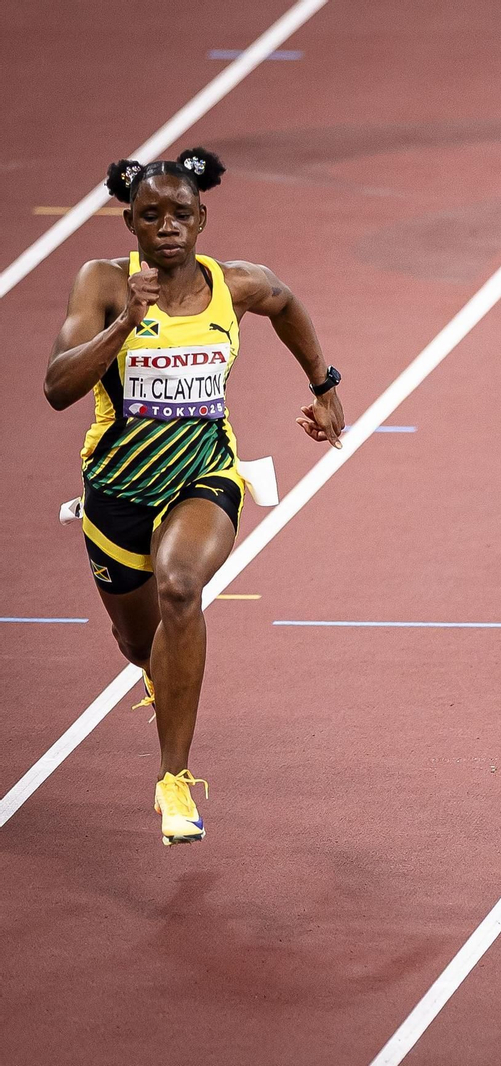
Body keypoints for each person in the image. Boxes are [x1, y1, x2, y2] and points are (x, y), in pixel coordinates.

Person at [44, 147, 345, 845]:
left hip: (203, 476)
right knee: (139, 644)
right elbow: (58, 387)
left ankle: (174, 781)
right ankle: (160, 673)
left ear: (202, 218)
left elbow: (285, 303)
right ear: (131, 224)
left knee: (180, 588)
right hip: (116, 493)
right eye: (152, 215)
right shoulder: (103, 283)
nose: (168, 225)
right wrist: (125, 324)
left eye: (181, 213)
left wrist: (325, 388)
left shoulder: (234, 286)